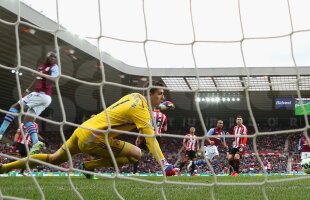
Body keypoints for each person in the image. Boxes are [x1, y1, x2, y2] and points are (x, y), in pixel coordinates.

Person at [0, 82, 176, 177]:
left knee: (53, 158)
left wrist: (163, 105)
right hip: (94, 138)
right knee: (136, 154)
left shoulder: (134, 96)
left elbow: (134, 110)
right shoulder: (141, 111)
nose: (162, 97)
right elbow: (150, 139)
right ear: (150, 94)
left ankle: (4, 168)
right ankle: (88, 165)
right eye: (159, 94)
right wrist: (164, 163)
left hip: (82, 130)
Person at [0, 52, 59, 155]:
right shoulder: (41, 67)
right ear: (47, 56)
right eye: (52, 56)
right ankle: (36, 142)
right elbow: (36, 80)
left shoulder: (54, 67)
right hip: (41, 97)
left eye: (55, 58)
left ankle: (1, 132)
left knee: (15, 107)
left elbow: (54, 80)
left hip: (42, 95)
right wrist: (27, 90)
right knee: (27, 121)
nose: (54, 59)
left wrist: (40, 74)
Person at [133, 106, 169, 174]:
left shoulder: (149, 113)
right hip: (157, 137)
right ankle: (164, 171)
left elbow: (144, 126)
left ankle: (135, 172)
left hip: (147, 135)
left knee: (137, 153)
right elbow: (165, 129)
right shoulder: (164, 116)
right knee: (159, 156)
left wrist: (138, 137)